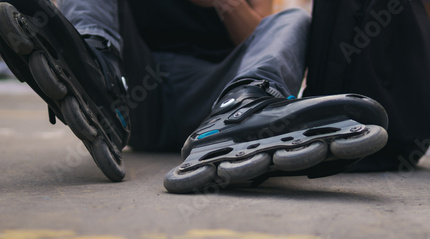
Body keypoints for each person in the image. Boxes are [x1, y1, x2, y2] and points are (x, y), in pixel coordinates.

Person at [0, 0, 388, 193]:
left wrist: (224, 3)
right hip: (135, 96)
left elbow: (264, 35)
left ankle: (246, 106)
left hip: (211, 100)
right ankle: (98, 82)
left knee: (292, 19)